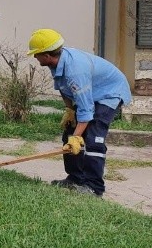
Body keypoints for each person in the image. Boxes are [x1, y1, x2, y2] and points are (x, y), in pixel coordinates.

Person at [27, 28, 131, 197]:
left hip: (109, 93)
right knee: (69, 133)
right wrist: (69, 110)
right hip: (92, 93)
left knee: (92, 139)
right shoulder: (59, 61)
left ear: (46, 55)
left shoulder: (76, 70)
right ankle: (75, 178)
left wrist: (77, 137)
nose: (34, 57)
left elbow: (86, 109)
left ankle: (94, 187)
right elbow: (63, 88)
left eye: (36, 54)